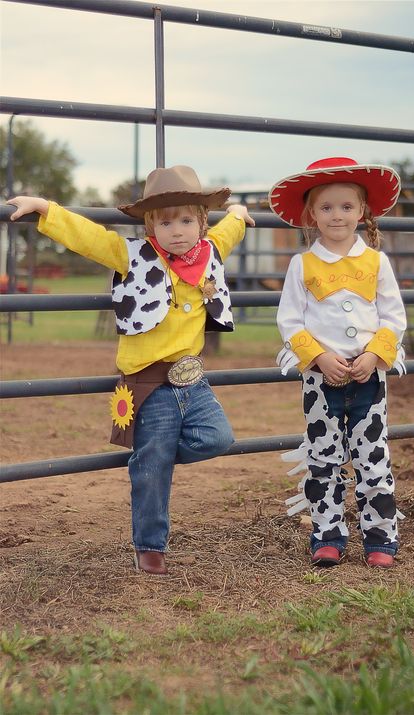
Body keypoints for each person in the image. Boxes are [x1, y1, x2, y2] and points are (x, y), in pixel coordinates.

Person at [8, 165, 255, 575]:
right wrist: (45, 209)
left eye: (186, 220)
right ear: (150, 225)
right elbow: (89, 238)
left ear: (201, 222)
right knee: (155, 457)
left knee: (218, 438)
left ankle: (149, 461)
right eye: (165, 221)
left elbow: (230, 230)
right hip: (150, 382)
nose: (177, 230)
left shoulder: (210, 251)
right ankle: (150, 545)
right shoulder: (133, 255)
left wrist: (240, 214)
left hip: (192, 379)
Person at [268, 157, 406, 569]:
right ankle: (327, 535)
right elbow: (289, 320)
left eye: (346, 207)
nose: (337, 215)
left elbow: (394, 317)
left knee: (373, 457)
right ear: (311, 213)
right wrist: (319, 357)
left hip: (369, 378)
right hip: (320, 380)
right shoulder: (302, 265)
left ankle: (380, 537)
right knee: (323, 459)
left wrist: (374, 355)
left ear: (361, 211)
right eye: (326, 207)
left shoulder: (377, 262)